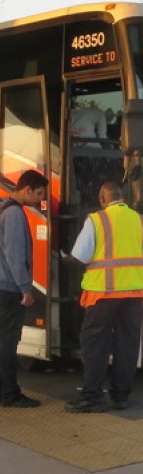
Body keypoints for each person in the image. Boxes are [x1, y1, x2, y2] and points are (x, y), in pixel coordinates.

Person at [65, 182, 143, 413]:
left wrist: (66, 258)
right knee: (127, 344)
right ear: (122, 198)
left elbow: (80, 256)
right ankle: (121, 396)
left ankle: (92, 396)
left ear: (102, 199)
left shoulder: (97, 220)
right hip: (134, 294)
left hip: (103, 294)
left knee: (95, 343)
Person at [0, 170, 49, 408]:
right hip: (9, 289)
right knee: (8, 342)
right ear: (27, 189)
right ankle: (9, 394)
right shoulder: (15, 215)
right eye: (39, 193)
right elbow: (15, 255)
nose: (41, 199)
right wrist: (25, 289)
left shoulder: (3, 207)